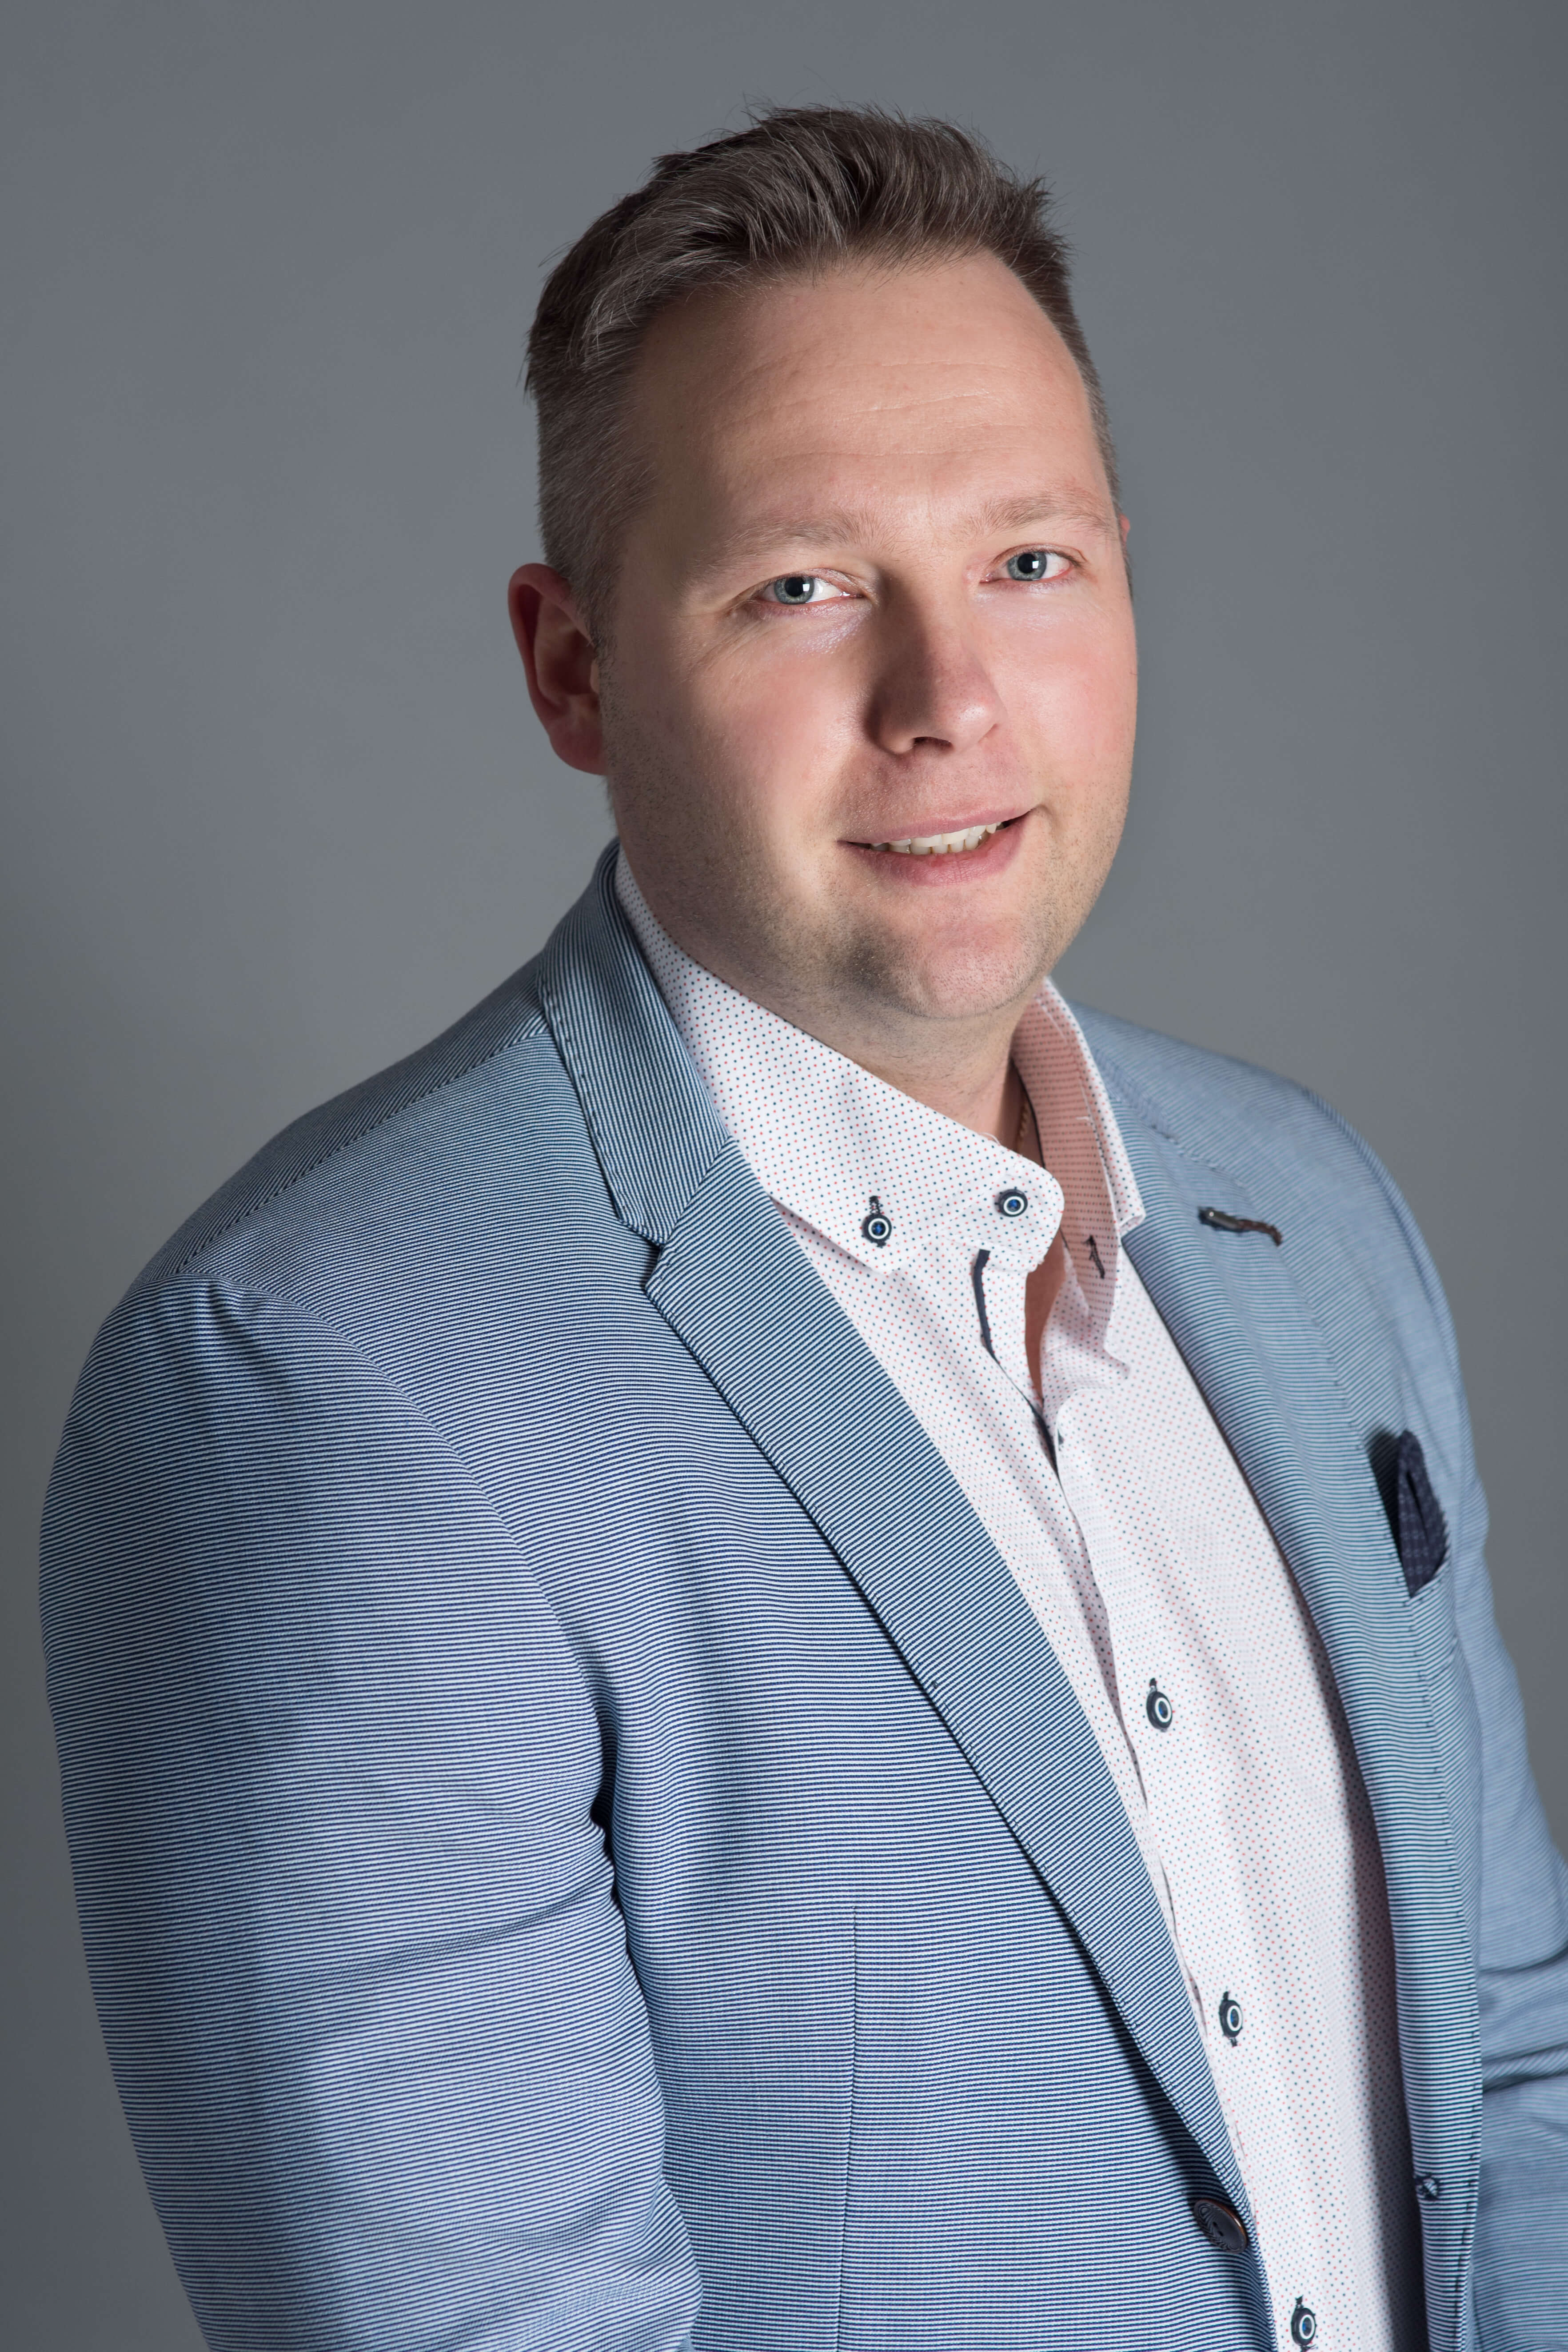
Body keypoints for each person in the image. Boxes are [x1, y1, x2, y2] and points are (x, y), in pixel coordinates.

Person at [40, 104, 1568, 2352]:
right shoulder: (319, 1385)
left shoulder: (1310, 1222)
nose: (950, 699)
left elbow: (1508, 2070)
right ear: (572, 671)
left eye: (1030, 559)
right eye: (803, 587)